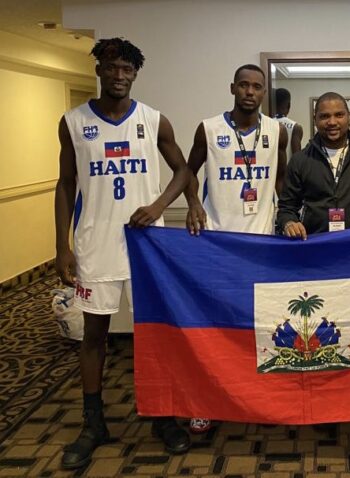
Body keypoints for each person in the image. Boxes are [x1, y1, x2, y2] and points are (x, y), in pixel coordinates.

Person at [54, 38, 192, 469]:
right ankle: (93, 422)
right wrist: (63, 243)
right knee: (93, 336)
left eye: (127, 69)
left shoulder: (153, 121)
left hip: (146, 247)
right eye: (112, 67)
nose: (119, 76)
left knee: (156, 333)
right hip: (96, 244)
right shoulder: (73, 122)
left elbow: (184, 170)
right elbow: (66, 183)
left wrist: (158, 207)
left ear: (135, 74)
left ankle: (163, 417)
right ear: (99, 70)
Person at [277, 91, 350, 444]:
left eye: (339, 115)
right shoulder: (300, 160)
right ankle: (325, 404)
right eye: (325, 116)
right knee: (324, 336)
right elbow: (286, 207)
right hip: (316, 263)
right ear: (315, 119)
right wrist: (287, 223)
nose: (332, 122)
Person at [184, 64, 287, 433]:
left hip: (261, 244)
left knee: (258, 327)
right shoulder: (209, 128)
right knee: (213, 328)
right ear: (232, 87)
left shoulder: (276, 131)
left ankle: (256, 395)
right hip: (218, 244)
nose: (250, 92)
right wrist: (194, 204)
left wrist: (288, 217)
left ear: (264, 92)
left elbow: (282, 180)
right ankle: (205, 400)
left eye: (257, 87)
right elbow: (187, 172)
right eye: (243, 85)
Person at [274, 88, 303, 160]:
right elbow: (297, 158)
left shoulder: (266, 124)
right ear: (289, 105)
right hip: (288, 170)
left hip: (270, 170)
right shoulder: (295, 127)